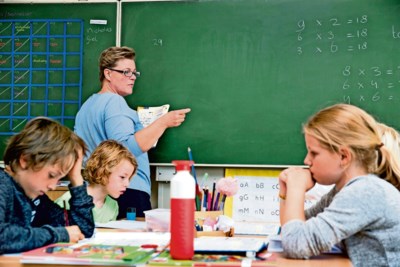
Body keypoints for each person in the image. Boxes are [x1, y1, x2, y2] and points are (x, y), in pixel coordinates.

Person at [74, 46, 190, 218]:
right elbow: (126, 149)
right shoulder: (114, 102)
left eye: (134, 73)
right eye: (126, 72)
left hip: (98, 191)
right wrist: (163, 122)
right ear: (108, 74)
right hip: (127, 191)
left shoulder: (87, 106)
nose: (132, 78)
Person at [278, 103, 400, 266]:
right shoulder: (344, 190)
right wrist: (285, 193)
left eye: (314, 153)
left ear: (344, 157)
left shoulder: (365, 192)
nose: (306, 161)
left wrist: (296, 187)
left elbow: (296, 243)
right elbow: (293, 228)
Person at [0, 117, 95, 254]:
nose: (53, 186)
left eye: (60, 178)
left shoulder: (34, 196)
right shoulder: (3, 184)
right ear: (25, 160)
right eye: (51, 175)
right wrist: (56, 235)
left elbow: (80, 229)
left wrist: (76, 179)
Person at [55, 140, 138, 223]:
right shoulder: (67, 200)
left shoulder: (113, 206)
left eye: (129, 178)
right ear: (103, 171)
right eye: (122, 177)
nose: (127, 184)